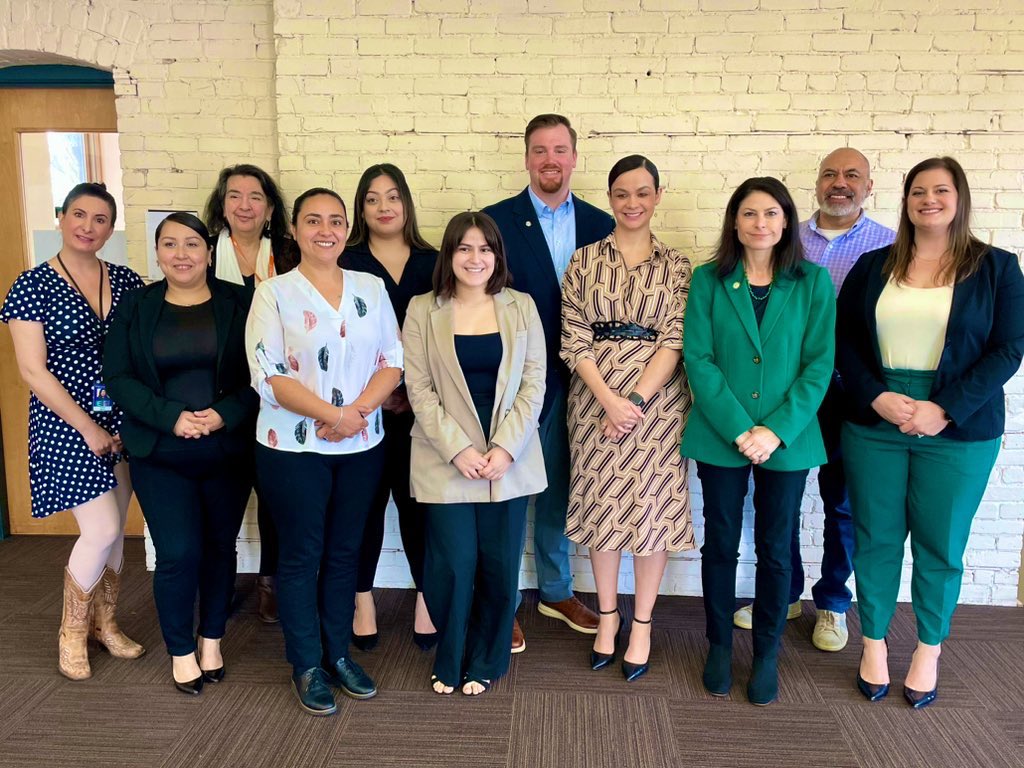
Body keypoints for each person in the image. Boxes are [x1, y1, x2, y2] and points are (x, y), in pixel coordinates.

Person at [837, 156, 1024, 709]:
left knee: (941, 545)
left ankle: (927, 649)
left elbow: (1008, 349)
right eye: (918, 191)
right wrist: (874, 394)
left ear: (959, 198)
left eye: (941, 190)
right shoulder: (874, 266)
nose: (929, 200)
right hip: (877, 419)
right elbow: (845, 341)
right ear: (905, 200)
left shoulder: (998, 268)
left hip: (959, 425)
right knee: (876, 537)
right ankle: (872, 644)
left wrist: (942, 408)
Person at [246, 187, 403, 716]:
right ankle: (306, 663)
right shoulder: (274, 293)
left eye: (335, 220)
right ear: (294, 229)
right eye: (313, 220)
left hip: (361, 445)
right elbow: (270, 376)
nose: (326, 230)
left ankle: (338, 654)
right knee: (300, 556)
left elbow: (392, 361)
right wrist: (335, 416)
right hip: (292, 450)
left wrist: (355, 414)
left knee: (345, 555)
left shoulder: (371, 286)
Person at [732, 148, 895, 652]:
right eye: (829, 174)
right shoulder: (785, 234)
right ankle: (785, 592)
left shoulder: (890, 246)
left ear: (869, 186)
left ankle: (833, 602)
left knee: (841, 502)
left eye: (852, 175)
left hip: (853, 393)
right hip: (790, 398)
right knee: (779, 499)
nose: (839, 183)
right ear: (817, 184)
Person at [681, 177, 835, 705]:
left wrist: (774, 430)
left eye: (771, 213)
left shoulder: (813, 282)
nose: (761, 223)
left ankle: (767, 651)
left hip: (787, 439)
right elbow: (697, 359)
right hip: (723, 434)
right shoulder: (709, 280)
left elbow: (819, 365)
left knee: (775, 548)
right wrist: (740, 428)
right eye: (749, 214)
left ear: (787, 221)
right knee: (720, 543)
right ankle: (720, 644)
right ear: (735, 221)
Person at [103, 213, 257, 695]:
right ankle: (181, 650)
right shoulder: (136, 306)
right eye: (169, 244)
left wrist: (222, 414)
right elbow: (119, 377)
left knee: (218, 549)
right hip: (159, 451)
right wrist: (171, 415)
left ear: (209, 252)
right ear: (157, 253)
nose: (181, 253)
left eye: (192, 244)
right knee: (176, 553)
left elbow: (265, 374)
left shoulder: (242, 302)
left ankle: (211, 640)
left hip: (226, 449)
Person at [1, 182, 145, 680]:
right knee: (100, 528)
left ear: (111, 227)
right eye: (79, 215)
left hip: (122, 419)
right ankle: (70, 630)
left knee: (119, 532)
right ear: (61, 217)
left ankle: (105, 624)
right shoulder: (32, 286)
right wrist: (86, 426)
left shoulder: (126, 281)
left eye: (100, 218)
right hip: (67, 422)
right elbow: (32, 371)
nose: (88, 226)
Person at [482, 113, 614, 650]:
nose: (550, 160)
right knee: (508, 487)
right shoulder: (495, 222)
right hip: (514, 377)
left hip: (582, 379)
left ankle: (556, 590)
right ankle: (503, 600)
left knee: (562, 487)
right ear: (527, 158)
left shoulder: (603, 224)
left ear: (575, 158)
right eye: (540, 150)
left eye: (560, 149)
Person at [561, 155, 693, 682]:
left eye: (642, 193)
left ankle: (642, 623)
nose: (632, 203)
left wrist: (634, 399)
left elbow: (676, 338)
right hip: (593, 403)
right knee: (602, 514)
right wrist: (607, 399)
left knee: (651, 514)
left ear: (657, 196)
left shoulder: (679, 266)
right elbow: (573, 334)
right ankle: (608, 618)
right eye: (621, 193)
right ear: (610, 198)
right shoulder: (584, 260)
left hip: (657, 408)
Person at [404, 211, 546, 696]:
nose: (475, 257)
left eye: (485, 248)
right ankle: (452, 654)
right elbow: (418, 389)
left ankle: (487, 659)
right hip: (447, 457)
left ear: (497, 256)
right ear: (449, 254)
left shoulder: (521, 306)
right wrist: (457, 449)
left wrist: (506, 448)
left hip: (509, 454)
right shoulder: (424, 309)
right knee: (453, 562)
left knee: (499, 561)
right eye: (464, 248)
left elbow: (534, 383)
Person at [341, 163, 439, 651]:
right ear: (361, 208)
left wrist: (413, 387)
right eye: (373, 198)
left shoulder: (434, 260)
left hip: (424, 412)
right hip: (363, 412)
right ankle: (363, 599)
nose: (384, 207)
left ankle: (426, 596)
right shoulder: (346, 261)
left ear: (407, 204)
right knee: (365, 509)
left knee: (420, 508)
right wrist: (379, 391)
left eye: (393, 197)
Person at [203, 163, 293, 624]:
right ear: (222, 205)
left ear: (270, 207)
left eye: (255, 196)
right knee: (223, 497)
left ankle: (270, 582)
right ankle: (216, 584)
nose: (244, 205)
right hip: (220, 396)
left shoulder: (289, 255)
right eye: (234, 195)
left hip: (278, 398)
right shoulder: (200, 251)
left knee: (277, 499)